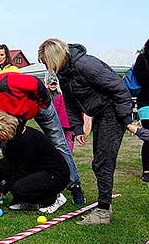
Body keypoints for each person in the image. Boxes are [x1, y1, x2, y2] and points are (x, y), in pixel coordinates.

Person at [38, 38, 149, 225]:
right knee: (99, 163)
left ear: (54, 57)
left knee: (102, 162)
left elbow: (120, 89)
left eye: (45, 61)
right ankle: (104, 207)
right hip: (100, 113)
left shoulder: (85, 64)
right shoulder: (64, 73)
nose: (46, 66)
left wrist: (126, 120)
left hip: (112, 112)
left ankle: (103, 211)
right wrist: (77, 128)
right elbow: (71, 103)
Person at [0, 72, 86, 205]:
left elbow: (35, 83)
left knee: (59, 143)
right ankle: (13, 185)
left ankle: (75, 186)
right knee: (9, 148)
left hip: (40, 107)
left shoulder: (5, 82)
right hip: (18, 118)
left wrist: (40, 104)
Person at [0, 111, 70, 213]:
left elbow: (23, 171)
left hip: (56, 175)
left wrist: (1, 190)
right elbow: (6, 165)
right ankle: (29, 201)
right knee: (17, 187)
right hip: (39, 171)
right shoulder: (12, 140)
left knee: (18, 188)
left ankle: (53, 198)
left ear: (5, 129)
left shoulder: (27, 140)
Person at [133, 39, 149, 182]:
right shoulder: (142, 59)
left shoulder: (141, 58)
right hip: (145, 103)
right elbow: (143, 80)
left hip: (144, 103)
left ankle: (147, 171)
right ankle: (147, 170)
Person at [46, 73, 75, 153]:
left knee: (59, 138)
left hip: (61, 123)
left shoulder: (59, 97)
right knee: (69, 139)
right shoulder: (75, 99)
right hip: (72, 123)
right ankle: (69, 152)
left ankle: (61, 152)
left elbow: (55, 110)